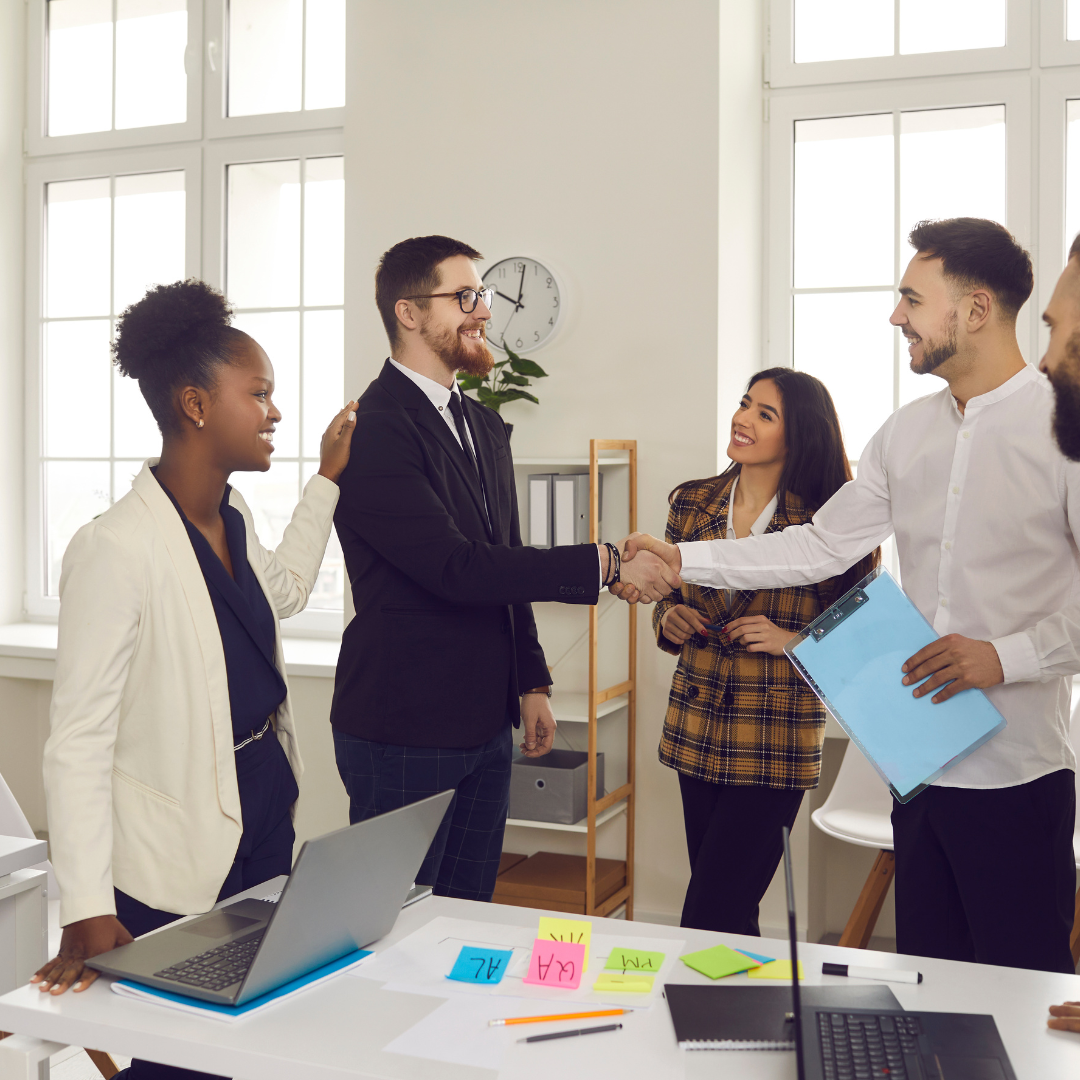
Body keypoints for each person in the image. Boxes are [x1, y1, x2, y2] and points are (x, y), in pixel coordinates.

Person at [621, 217, 1080, 974]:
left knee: (1021, 984)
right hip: (919, 765)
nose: (895, 315)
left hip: (1017, 772)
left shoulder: (1062, 428)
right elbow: (818, 545)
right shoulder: (903, 435)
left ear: (974, 310)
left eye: (911, 298)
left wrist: (1007, 656)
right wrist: (680, 556)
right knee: (931, 976)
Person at [31, 280, 356, 1080]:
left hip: (264, 803)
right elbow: (76, 743)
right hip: (176, 842)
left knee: (252, 1030)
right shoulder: (117, 547)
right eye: (260, 394)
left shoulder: (233, 519)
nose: (274, 412)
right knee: (181, 1058)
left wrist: (326, 480)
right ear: (196, 405)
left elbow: (282, 589)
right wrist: (86, 907)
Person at [330, 235, 678, 904]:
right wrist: (606, 562)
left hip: (486, 722)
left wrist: (532, 680)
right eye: (464, 297)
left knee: (469, 917)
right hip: (404, 725)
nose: (483, 312)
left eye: (481, 295)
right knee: (399, 928)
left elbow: (502, 556)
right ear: (408, 313)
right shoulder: (373, 429)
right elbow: (457, 569)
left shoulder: (484, 426)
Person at [655, 368, 877, 935]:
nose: (742, 419)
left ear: (799, 434)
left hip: (775, 735)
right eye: (744, 404)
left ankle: (696, 1010)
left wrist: (794, 641)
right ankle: (736, 1017)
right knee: (724, 902)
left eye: (764, 413)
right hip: (696, 725)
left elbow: (864, 632)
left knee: (715, 905)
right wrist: (669, 616)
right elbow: (665, 592)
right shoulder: (691, 502)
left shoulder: (831, 521)